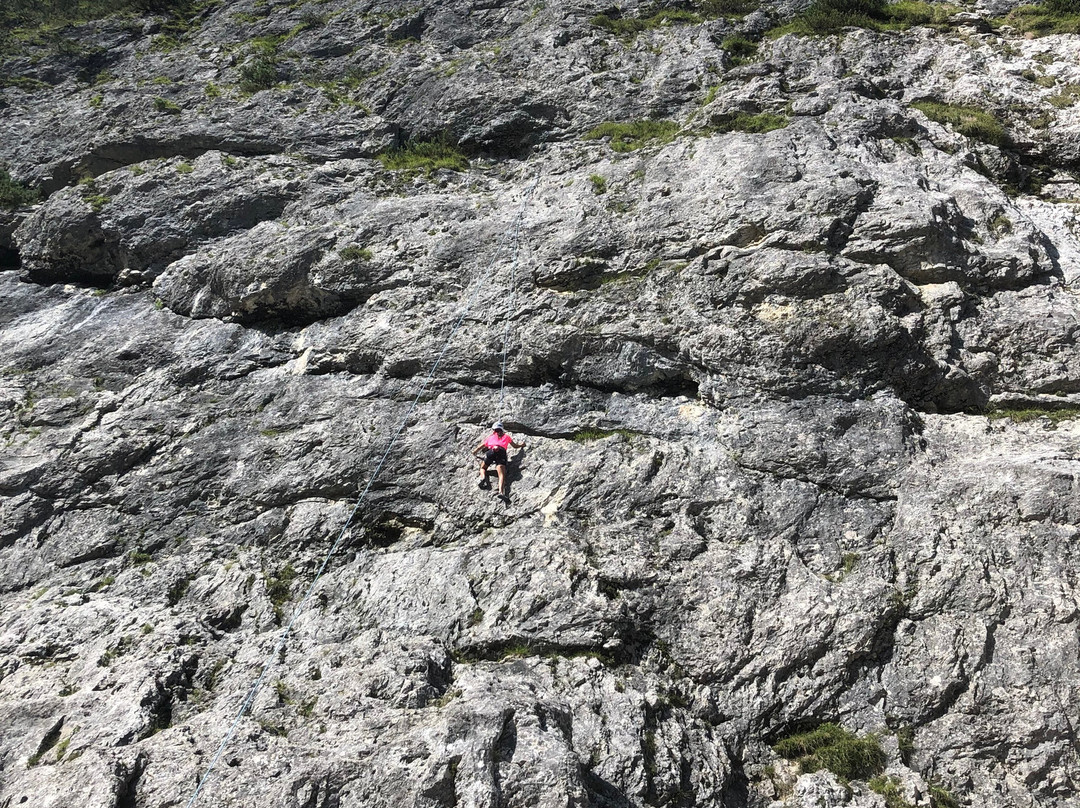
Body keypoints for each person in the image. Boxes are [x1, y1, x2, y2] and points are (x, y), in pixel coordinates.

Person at [473, 421, 524, 500]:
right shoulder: (506, 437)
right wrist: (522, 445)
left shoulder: (490, 437)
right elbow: (515, 446)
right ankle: (501, 492)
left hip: (491, 452)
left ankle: (483, 478)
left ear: (494, 430)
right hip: (501, 452)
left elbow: (481, 446)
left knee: (483, 468)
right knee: (501, 475)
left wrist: (474, 452)